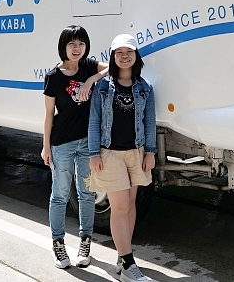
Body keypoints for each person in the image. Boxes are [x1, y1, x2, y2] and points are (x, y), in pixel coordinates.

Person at [88, 34, 157, 282]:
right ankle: (128, 266)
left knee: (130, 204)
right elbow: (94, 120)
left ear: (136, 56)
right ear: (113, 57)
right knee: (118, 207)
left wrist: (150, 152)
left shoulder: (144, 87)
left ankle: (122, 254)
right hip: (110, 153)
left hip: (136, 152)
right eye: (119, 52)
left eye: (129, 51)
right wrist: (94, 153)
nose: (124, 56)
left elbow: (150, 123)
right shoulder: (104, 87)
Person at [41, 25, 108, 269]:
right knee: (59, 195)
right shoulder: (53, 77)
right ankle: (58, 243)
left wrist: (91, 79)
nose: (77, 48)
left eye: (81, 43)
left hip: (87, 144)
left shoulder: (89, 66)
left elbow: (114, 65)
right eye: (72, 44)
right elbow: (49, 115)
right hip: (61, 143)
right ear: (63, 47)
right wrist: (45, 146)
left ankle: (85, 241)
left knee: (86, 194)